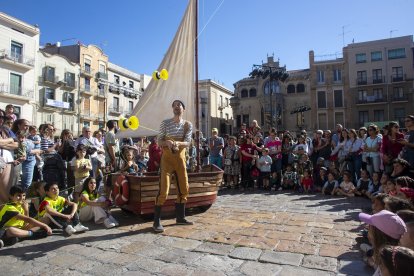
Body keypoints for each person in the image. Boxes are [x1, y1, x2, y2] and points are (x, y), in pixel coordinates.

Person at [153, 100, 194, 233]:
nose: (177, 107)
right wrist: (167, 143)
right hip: (167, 160)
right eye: (175, 105)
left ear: (183, 109)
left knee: (184, 187)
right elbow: (159, 141)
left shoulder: (188, 125)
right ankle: (156, 222)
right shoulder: (165, 123)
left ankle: (180, 217)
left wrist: (176, 143)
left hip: (181, 159)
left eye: (179, 105)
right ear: (172, 108)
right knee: (163, 189)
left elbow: (188, 142)